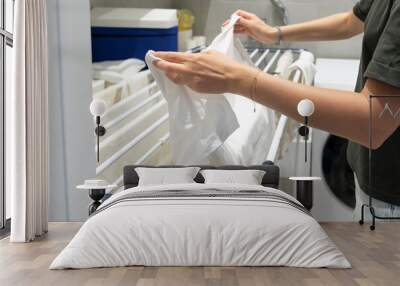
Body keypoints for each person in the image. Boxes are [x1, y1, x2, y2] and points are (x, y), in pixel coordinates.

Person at [153, 1, 400, 219]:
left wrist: (239, 79)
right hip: (371, 176)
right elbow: (352, 21)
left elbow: (374, 121)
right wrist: (274, 33)